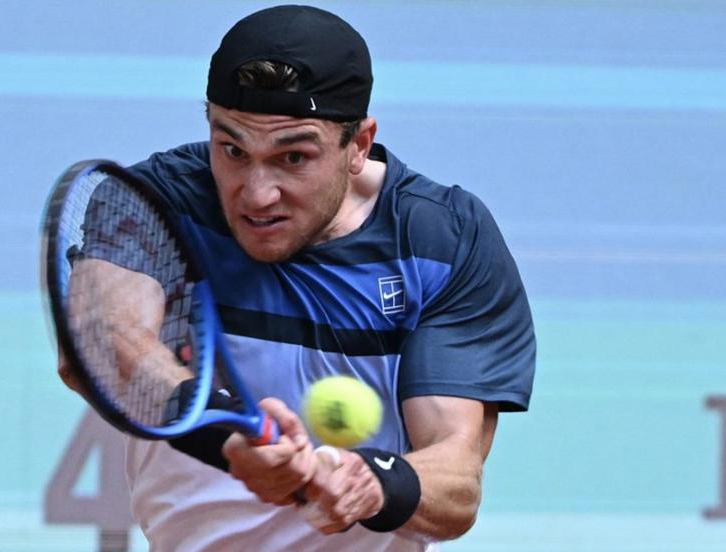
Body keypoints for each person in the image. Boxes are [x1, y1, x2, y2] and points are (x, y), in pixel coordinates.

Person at [57, 5, 536, 551]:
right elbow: (99, 341)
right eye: (233, 149)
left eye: (293, 157)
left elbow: (456, 484)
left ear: (357, 145)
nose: (257, 193)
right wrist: (226, 432)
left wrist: (374, 483)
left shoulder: (440, 239)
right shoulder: (156, 201)